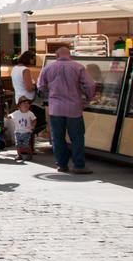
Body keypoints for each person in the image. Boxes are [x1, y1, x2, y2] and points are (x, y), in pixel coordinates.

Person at [37, 45, 96, 174]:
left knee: (58, 138)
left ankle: (62, 165)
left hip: (55, 108)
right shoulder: (78, 67)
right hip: (74, 108)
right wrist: (88, 98)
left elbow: (41, 86)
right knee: (77, 137)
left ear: (57, 56)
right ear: (69, 55)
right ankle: (79, 166)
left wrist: (50, 92)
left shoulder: (48, 68)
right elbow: (90, 84)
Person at [11, 50, 46, 135]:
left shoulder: (15, 68)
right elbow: (29, 88)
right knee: (38, 120)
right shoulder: (25, 70)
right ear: (28, 59)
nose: (34, 61)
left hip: (19, 98)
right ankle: (29, 140)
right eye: (33, 59)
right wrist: (37, 86)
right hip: (28, 100)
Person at [8, 97, 37, 161]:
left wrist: (33, 126)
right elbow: (10, 116)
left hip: (27, 132)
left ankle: (29, 154)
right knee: (17, 144)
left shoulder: (30, 113)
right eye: (24, 103)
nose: (26, 105)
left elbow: (34, 120)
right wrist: (8, 116)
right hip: (18, 132)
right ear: (19, 105)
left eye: (28, 103)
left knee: (26, 145)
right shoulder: (16, 113)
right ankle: (19, 155)